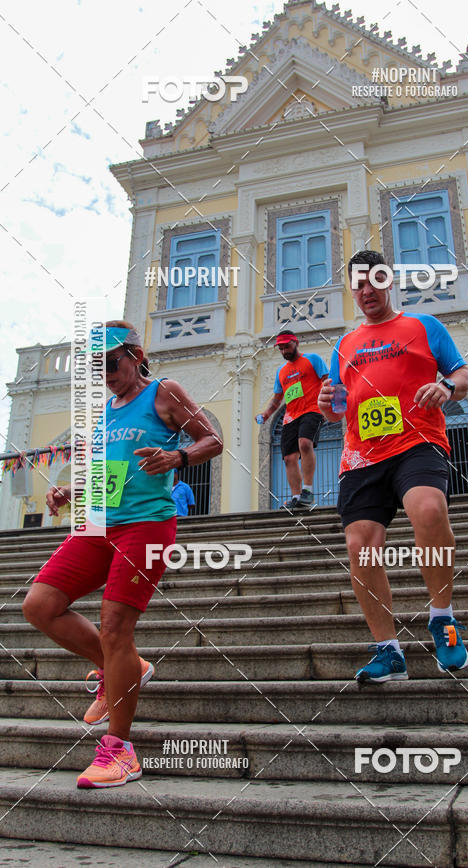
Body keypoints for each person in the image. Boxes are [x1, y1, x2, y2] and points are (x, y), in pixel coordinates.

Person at [22, 321, 223, 788]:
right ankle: (125, 670)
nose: (105, 372)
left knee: (115, 626)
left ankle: (120, 751)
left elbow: (212, 440)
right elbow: (106, 471)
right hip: (99, 524)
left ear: (134, 355)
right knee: (40, 605)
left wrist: (178, 459)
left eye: (111, 362)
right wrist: (72, 490)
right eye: (96, 366)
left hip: (147, 524)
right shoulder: (105, 410)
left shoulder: (163, 393)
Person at [318, 250, 468, 682]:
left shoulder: (423, 326)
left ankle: (442, 618)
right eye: (358, 284)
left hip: (417, 442)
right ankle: (389, 651)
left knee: (427, 510)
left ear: (390, 281)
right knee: (359, 546)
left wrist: (445, 387)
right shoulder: (344, 345)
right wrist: (326, 406)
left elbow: (462, 376)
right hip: (362, 456)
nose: (367, 291)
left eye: (374, 281)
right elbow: (338, 410)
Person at [258, 331, 328, 510]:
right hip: (290, 417)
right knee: (289, 458)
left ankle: (308, 491)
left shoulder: (312, 359)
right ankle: (296, 498)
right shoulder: (281, 372)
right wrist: (266, 414)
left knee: (305, 443)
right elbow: (277, 398)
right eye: (280, 348)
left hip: (312, 410)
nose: (284, 351)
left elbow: (327, 380)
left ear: (296, 343)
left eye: (286, 346)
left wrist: (331, 402)